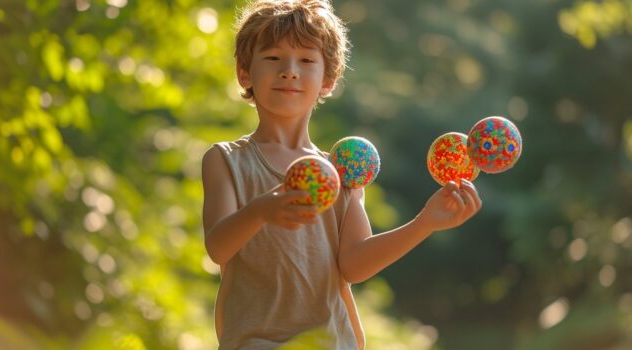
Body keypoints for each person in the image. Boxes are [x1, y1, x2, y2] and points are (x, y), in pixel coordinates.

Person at [201, 0, 483, 349]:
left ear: (328, 81)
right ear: (245, 73)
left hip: (333, 342)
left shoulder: (343, 171)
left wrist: (424, 222)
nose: (289, 71)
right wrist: (261, 210)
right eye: (273, 58)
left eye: (306, 60)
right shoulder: (226, 160)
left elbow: (354, 266)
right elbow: (217, 247)